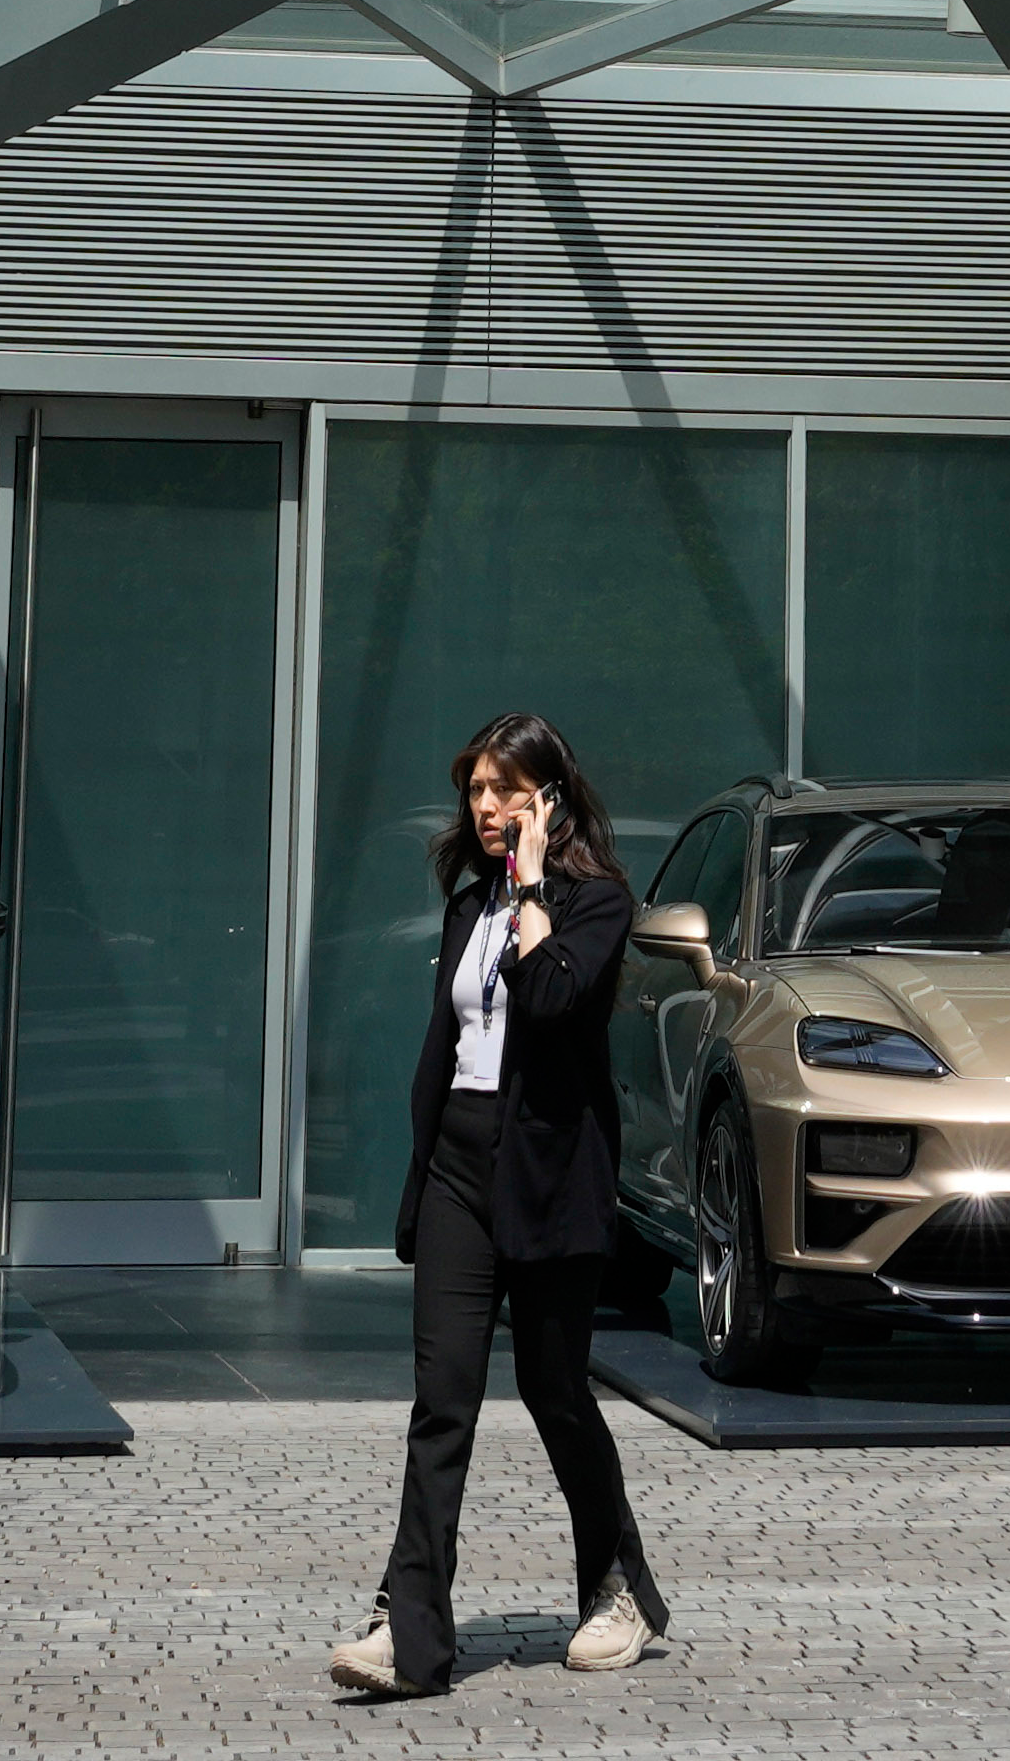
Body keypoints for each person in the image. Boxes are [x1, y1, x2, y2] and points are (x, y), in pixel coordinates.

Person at [334, 712, 657, 1697]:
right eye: (474, 790)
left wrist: (529, 890)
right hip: (461, 1177)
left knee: (558, 1397)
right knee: (444, 1405)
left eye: (505, 791)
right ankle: (408, 1631)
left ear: (548, 799)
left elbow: (555, 1003)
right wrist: (420, 1170)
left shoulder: (596, 905)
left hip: (552, 1183)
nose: (483, 807)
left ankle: (617, 1590)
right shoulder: (466, 907)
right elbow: (451, 1055)